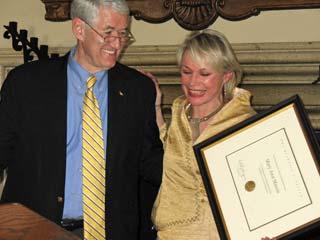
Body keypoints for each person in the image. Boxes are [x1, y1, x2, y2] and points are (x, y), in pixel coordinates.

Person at [0, 0, 163, 239]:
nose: (116, 44)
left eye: (123, 34)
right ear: (79, 29)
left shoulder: (138, 90)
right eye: (107, 34)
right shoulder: (26, 84)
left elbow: (150, 165)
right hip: (34, 231)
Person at [144, 29, 260, 239]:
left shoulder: (244, 122)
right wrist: (156, 106)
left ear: (227, 76)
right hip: (171, 234)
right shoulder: (180, 112)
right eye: (187, 72)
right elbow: (169, 149)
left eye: (204, 74)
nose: (193, 83)